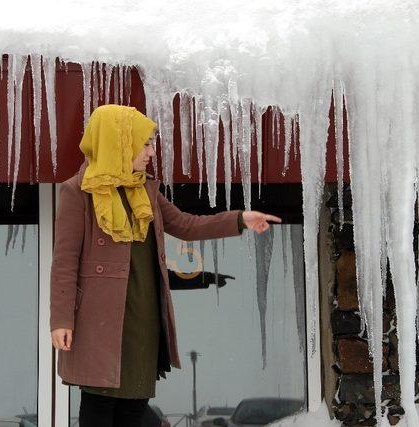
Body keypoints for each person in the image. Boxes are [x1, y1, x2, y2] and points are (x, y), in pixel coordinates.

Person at [50, 104, 281, 427]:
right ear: (120, 142)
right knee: (99, 407)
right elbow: (64, 261)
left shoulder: (145, 190)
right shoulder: (78, 192)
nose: (150, 152)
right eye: (144, 143)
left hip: (143, 316)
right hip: (101, 321)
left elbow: (187, 225)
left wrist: (240, 219)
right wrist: (61, 318)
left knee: (133, 407)